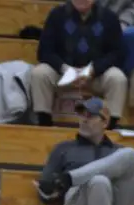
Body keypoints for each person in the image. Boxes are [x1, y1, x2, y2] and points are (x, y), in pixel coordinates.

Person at [31, 0, 128, 129]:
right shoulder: (56, 15)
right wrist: (65, 69)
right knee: (40, 73)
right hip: (63, 73)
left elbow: (117, 54)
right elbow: (44, 52)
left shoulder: (109, 17)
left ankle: (110, 127)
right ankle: (44, 124)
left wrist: (93, 69)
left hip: (95, 75)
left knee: (118, 78)